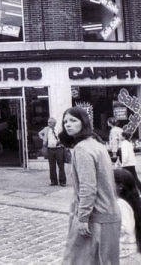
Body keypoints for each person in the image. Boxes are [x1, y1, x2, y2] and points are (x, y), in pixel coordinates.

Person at [59, 106, 121, 264]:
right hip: (110, 215)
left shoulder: (82, 149)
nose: (68, 125)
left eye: (73, 120)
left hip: (95, 218)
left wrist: (83, 217)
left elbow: (88, 187)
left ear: (84, 123)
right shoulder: (97, 144)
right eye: (65, 121)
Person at [114, 168, 141, 261]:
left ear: (120, 186)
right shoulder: (131, 201)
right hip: (128, 249)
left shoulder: (120, 203)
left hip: (124, 250)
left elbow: (126, 228)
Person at [38, 117, 67, 187]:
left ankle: (62, 181)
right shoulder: (46, 129)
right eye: (48, 122)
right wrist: (44, 139)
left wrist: (61, 142)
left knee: (61, 166)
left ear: (54, 123)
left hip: (59, 149)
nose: (49, 124)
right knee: (52, 166)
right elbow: (39, 133)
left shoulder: (59, 129)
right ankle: (54, 181)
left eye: (50, 122)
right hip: (50, 149)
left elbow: (64, 136)